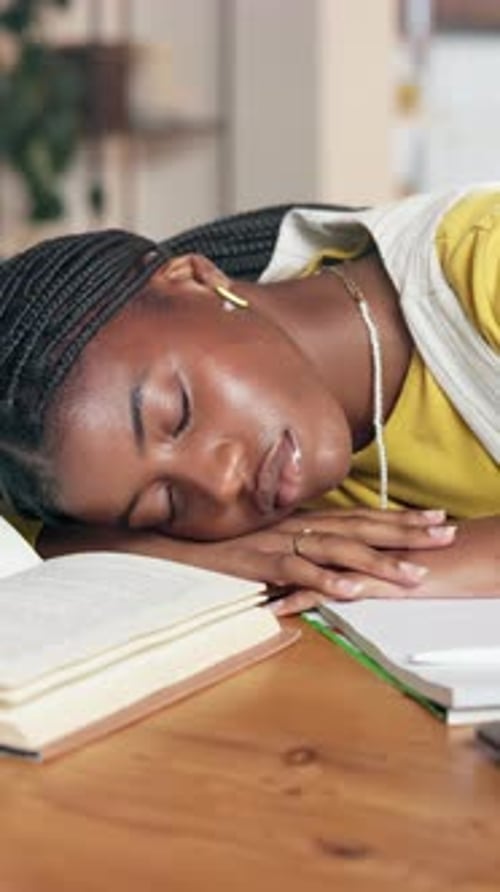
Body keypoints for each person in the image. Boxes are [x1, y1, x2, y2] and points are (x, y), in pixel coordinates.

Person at [0, 183, 498, 615]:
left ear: (197, 279)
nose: (219, 485)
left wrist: (394, 573)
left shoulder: (483, 261)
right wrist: (189, 554)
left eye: (179, 415)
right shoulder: (281, 486)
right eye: (164, 504)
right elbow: (17, 539)